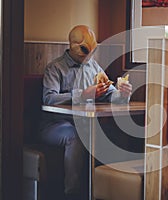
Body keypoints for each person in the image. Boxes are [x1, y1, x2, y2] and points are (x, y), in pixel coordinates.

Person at [38, 25, 132, 200]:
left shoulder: (93, 67)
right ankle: (72, 194)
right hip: (55, 125)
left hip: (86, 123)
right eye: (84, 50)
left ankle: (106, 191)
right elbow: (49, 99)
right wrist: (82, 94)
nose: (89, 55)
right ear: (72, 45)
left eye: (93, 50)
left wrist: (122, 94)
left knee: (111, 134)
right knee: (75, 135)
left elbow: (110, 94)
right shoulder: (55, 68)